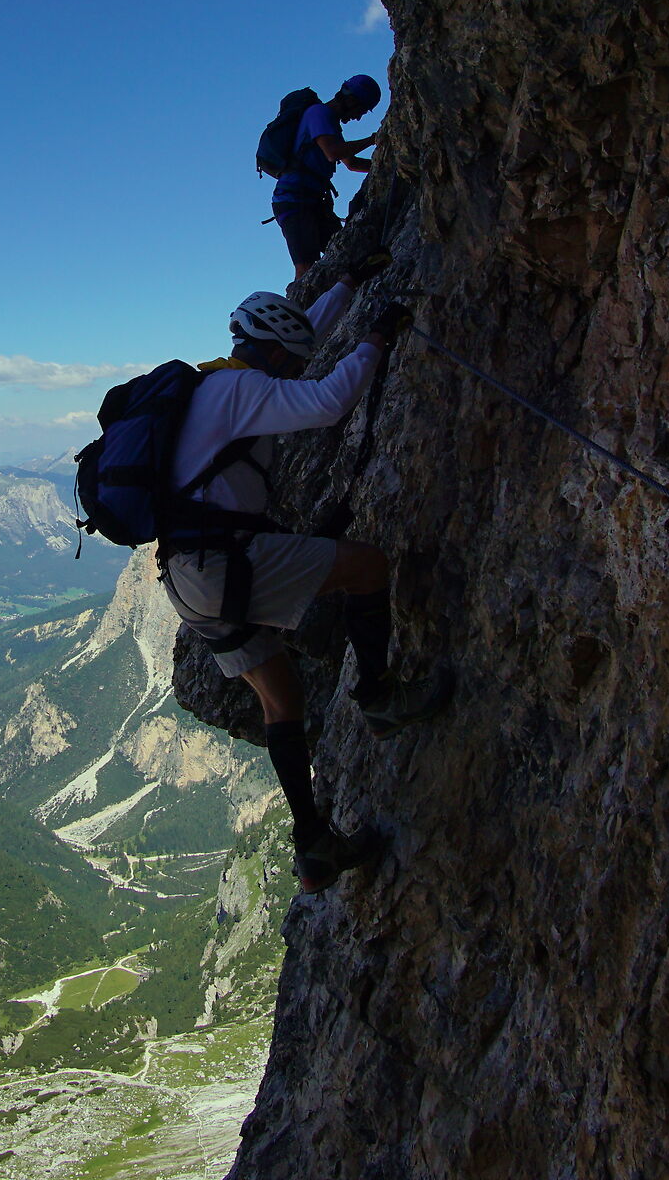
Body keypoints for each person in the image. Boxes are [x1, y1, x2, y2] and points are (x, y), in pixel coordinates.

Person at [157, 272, 449, 893]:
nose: (291, 369)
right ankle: (379, 696)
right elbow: (326, 401)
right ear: (268, 352)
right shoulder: (244, 389)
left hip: (186, 579)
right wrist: (376, 335)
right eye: (286, 359)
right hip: (224, 562)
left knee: (282, 702)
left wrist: (347, 281)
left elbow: (304, 331)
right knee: (367, 567)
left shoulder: (213, 382)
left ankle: (313, 847)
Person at [271, 74, 382, 277]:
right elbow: (334, 153)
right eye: (361, 109)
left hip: (310, 201)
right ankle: (303, 308)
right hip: (294, 201)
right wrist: (373, 140)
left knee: (346, 253)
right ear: (351, 99)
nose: (358, 117)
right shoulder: (319, 113)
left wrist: (384, 164)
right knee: (305, 268)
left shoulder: (329, 122)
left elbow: (352, 164)